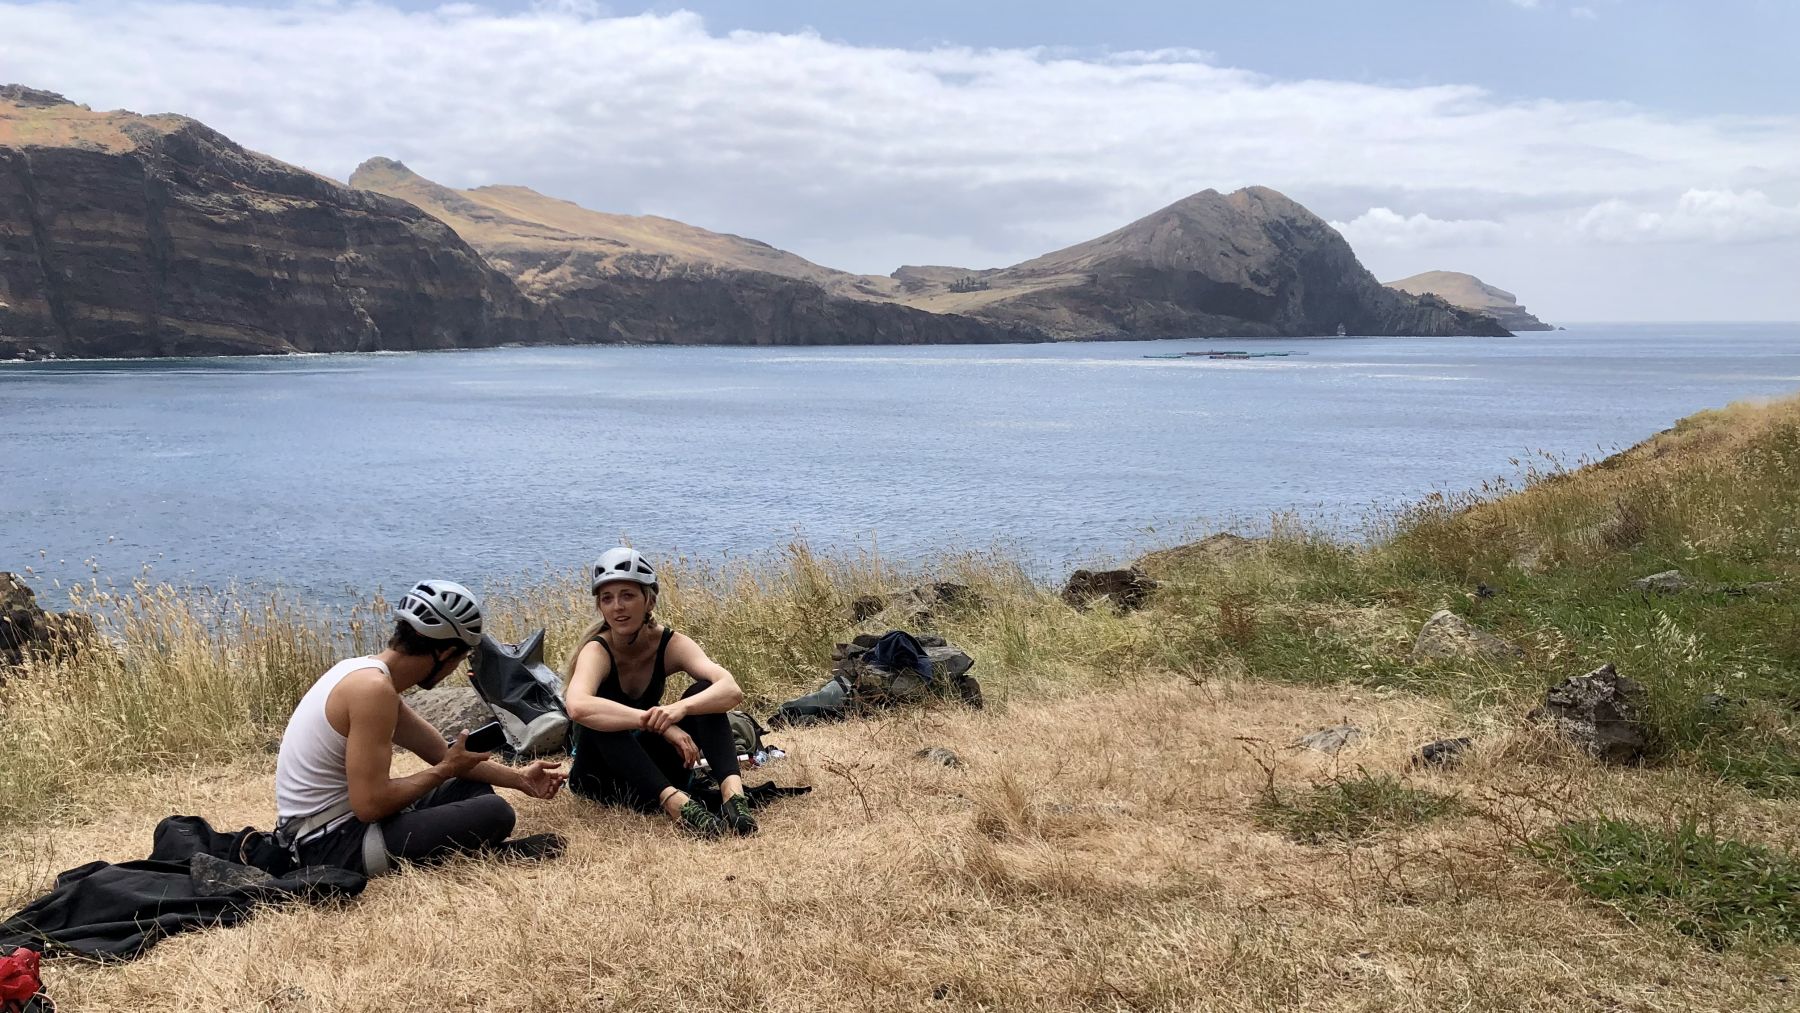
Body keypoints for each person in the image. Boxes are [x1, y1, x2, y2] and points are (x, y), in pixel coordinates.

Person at [273, 579, 568, 874]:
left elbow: (442, 753)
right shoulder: (372, 691)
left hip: (330, 829)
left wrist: (520, 779)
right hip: (326, 845)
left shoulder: (362, 672)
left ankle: (472, 850)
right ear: (444, 652)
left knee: (470, 785)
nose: (455, 669)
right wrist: (445, 770)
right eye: (461, 658)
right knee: (495, 813)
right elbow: (370, 805)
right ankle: (481, 851)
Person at [563, 548, 757, 836]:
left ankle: (734, 796)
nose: (617, 606)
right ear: (600, 607)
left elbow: (730, 689)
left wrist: (679, 710)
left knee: (704, 692)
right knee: (600, 713)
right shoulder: (597, 650)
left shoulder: (670, 643)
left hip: (652, 768)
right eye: (607, 598)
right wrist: (660, 725)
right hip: (600, 776)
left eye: (627, 595)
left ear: (649, 600)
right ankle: (678, 805)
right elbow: (578, 706)